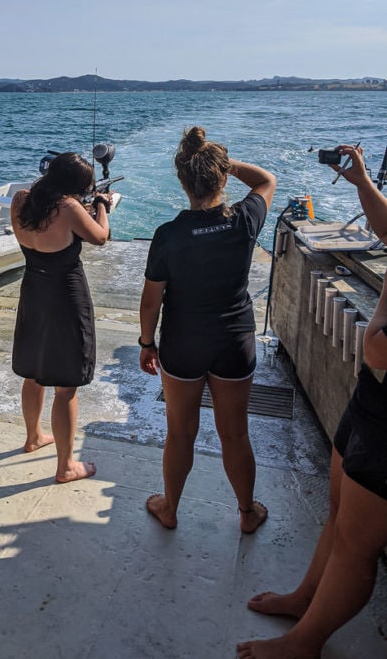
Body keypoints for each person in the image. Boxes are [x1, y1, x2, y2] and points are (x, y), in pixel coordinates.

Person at [237, 143, 387, 659]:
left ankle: (306, 643)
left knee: (357, 542)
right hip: (373, 393)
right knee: (339, 509)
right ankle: (306, 598)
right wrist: (363, 183)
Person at [138, 126, 276, 531]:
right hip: (235, 341)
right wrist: (221, 162)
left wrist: (147, 343)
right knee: (235, 434)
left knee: (180, 434)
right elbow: (267, 180)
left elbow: (151, 301)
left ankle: (170, 509)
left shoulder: (168, 235)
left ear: (182, 182)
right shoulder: (245, 219)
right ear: (221, 177)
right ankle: (247, 513)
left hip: (182, 343)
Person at [11, 152, 112, 483]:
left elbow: (48, 221)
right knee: (66, 385)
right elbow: (100, 237)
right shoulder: (69, 209)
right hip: (65, 293)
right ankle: (67, 466)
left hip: (33, 288)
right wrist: (101, 207)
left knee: (33, 372)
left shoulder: (22, 199)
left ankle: (33, 437)